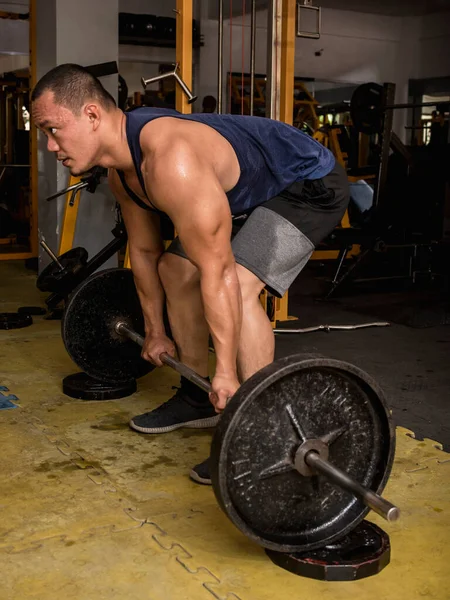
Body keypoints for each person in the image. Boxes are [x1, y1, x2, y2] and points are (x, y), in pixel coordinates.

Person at [31, 64, 349, 484]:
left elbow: (218, 273)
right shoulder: (122, 173)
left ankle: (258, 427)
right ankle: (198, 397)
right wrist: (155, 330)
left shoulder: (170, 162)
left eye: (54, 130)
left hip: (305, 184)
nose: (50, 146)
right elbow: (144, 252)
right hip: (248, 192)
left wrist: (227, 372)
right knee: (174, 268)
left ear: (92, 115)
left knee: (236, 283)